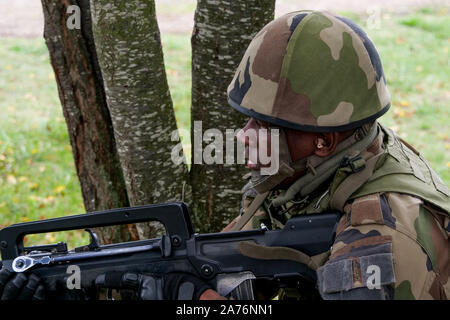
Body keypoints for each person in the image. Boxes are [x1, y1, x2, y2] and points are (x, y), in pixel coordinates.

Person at [0, 10, 448, 300]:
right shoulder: (330, 165)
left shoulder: (380, 239)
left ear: (322, 140)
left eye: (263, 125)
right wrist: (78, 284)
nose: (244, 136)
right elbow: (232, 258)